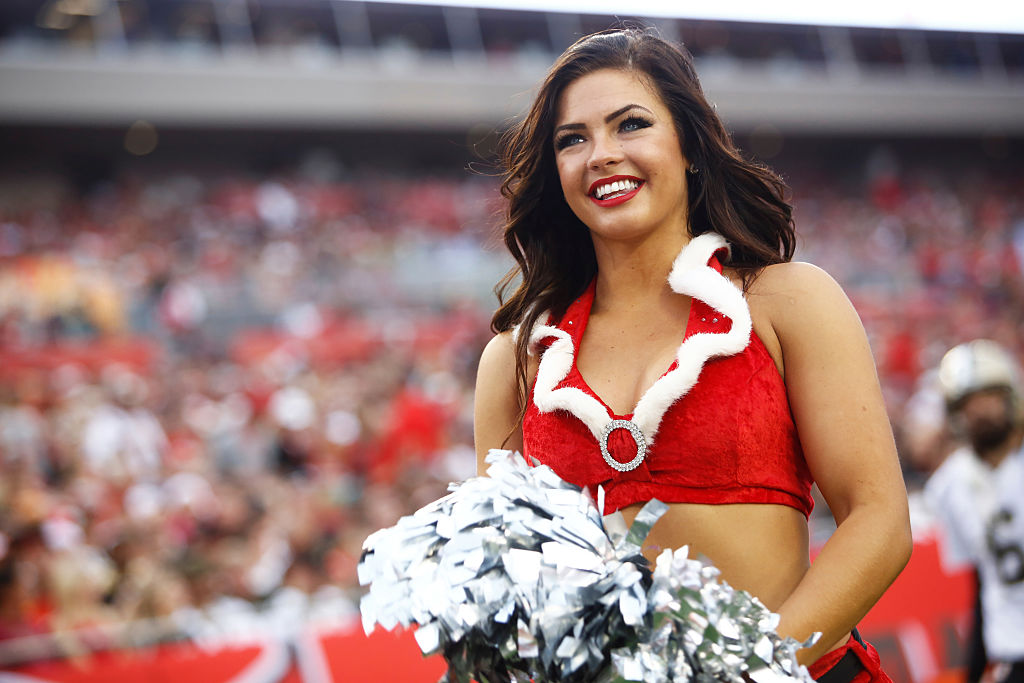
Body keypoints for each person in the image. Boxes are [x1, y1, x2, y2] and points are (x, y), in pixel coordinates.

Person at [472, 28, 912, 679]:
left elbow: (879, 520)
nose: (601, 154)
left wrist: (751, 669)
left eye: (631, 125)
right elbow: (505, 578)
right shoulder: (515, 360)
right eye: (573, 139)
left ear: (689, 148)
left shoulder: (789, 301)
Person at [924, 340, 1024, 682]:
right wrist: (974, 670)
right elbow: (982, 582)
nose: (981, 411)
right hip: (1012, 648)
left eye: (989, 397)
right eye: (970, 402)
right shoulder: (950, 486)